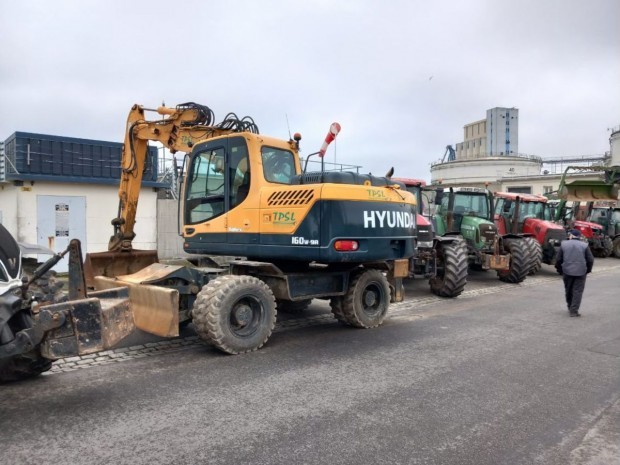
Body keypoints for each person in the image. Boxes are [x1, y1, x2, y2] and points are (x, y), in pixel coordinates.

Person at [555, 229, 594, 317]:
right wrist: (587, 270)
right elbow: (590, 260)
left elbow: (558, 259)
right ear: (579, 237)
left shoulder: (564, 244)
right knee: (577, 291)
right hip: (581, 272)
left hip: (567, 271)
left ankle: (570, 306)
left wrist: (560, 270)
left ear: (571, 236)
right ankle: (574, 311)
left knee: (568, 290)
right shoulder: (584, 245)